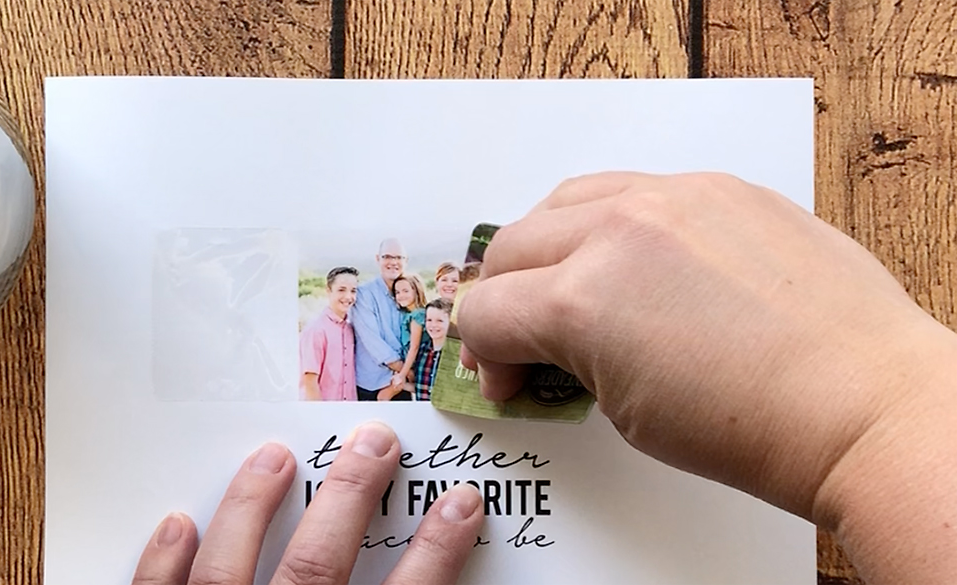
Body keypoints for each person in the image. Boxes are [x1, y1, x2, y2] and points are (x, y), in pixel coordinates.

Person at [132, 172, 957, 585]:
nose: (376, 281)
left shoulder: (414, 313)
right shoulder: (333, 322)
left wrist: (877, 421)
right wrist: (880, 408)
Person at [351, 238, 407, 401]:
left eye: (398, 258)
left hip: (400, 384)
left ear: (406, 261)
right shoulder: (364, 294)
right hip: (373, 385)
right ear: (378, 259)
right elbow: (374, 343)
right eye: (387, 257)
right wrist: (408, 372)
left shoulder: (407, 292)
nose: (393, 262)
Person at [298, 266, 359, 402]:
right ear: (328, 291)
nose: (348, 297)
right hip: (324, 410)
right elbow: (310, 380)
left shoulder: (350, 329)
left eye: (353, 291)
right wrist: (320, 414)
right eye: (341, 290)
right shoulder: (316, 330)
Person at [378, 274, 428, 401]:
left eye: (405, 291)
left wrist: (402, 374)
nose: (401, 295)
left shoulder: (418, 315)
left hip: (419, 365)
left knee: (383, 397)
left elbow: (414, 347)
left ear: (416, 291)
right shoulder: (407, 314)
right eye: (397, 292)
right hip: (411, 367)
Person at [413, 298, 453, 400]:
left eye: (439, 321)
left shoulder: (456, 354)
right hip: (423, 412)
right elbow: (420, 385)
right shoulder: (421, 351)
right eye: (429, 320)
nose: (433, 325)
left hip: (447, 413)